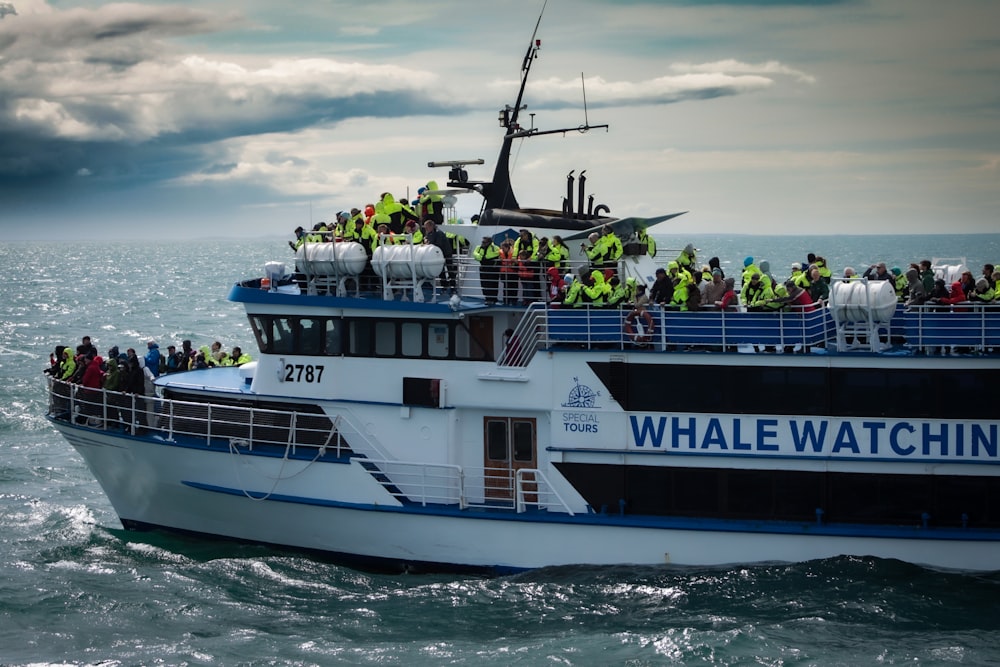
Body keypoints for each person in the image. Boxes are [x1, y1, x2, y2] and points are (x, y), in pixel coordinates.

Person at [423, 219, 455, 293]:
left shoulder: (439, 233)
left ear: (431, 226)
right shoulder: (429, 234)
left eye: (427, 227)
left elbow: (438, 244)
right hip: (438, 255)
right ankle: (444, 286)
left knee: (450, 270)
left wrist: (429, 243)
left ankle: (453, 287)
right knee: (441, 271)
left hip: (446, 253)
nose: (426, 229)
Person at [473, 236, 501, 305]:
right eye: (482, 242)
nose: (483, 243)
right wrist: (482, 257)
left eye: (484, 242)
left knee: (493, 284)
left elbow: (496, 253)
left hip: (493, 269)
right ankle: (487, 298)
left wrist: (486, 257)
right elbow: (475, 254)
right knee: (484, 284)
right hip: (483, 267)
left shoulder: (495, 247)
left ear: (489, 242)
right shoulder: (479, 247)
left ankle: (493, 299)